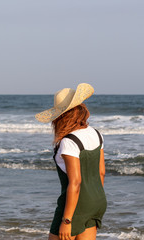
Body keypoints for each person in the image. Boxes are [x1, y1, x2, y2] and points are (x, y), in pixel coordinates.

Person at [35, 83, 107, 240]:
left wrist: (67, 220)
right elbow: (101, 172)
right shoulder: (96, 133)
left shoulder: (69, 141)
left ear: (61, 115)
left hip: (74, 206)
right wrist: (92, 199)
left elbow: (75, 182)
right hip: (97, 200)